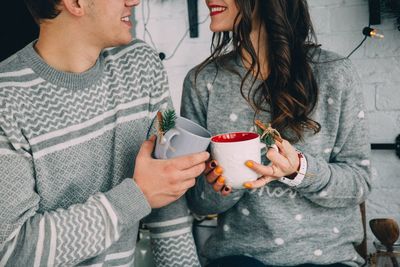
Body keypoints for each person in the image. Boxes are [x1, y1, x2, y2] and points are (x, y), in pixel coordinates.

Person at [0, 0, 206, 266]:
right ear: (75, 3)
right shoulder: (6, 100)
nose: (135, 1)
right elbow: (11, 249)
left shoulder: (140, 64)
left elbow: (167, 192)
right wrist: (136, 196)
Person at [182, 0, 372, 266]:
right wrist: (227, 183)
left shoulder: (335, 73)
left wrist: (299, 170)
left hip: (328, 258)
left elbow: (359, 184)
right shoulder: (202, 82)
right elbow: (198, 203)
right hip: (239, 257)